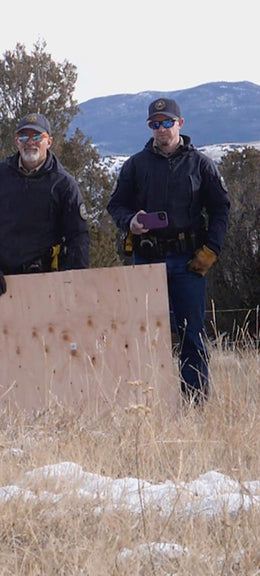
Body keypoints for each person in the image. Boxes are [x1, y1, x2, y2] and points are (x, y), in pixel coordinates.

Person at [106, 98, 230, 406]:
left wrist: (211, 249)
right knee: (146, 334)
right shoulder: (136, 165)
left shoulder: (201, 164)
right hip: (147, 259)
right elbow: (116, 205)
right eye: (155, 124)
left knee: (192, 335)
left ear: (180, 124)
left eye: (167, 123)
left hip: (189, 262)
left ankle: (195, 405)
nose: (162, 130)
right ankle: (148, 404)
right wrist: (130, 221)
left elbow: (220, 208)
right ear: (150, 128)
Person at [0, 113, 90, 299]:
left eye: (37, 137)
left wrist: (70, 282)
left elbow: (78, 236)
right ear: (17, 142)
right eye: (23, 137)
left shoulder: (64, 184)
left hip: (46, 283)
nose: (30, 142)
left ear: (49, 142)